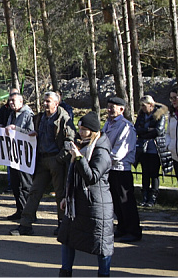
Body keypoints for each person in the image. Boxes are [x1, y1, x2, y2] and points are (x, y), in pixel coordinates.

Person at [57, 111, 113, 277]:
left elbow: (92, 177)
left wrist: (79, 158)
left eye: (84, 129)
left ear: (93, 131)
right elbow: (71, 175)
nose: (80, 132)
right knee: (67, 238)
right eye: (79, 128)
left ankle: (104, 274)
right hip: (76, 202)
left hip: (96, 204)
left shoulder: (101, 151)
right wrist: (67, 197)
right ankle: (65, 272)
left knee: (101, 244)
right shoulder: (82, 146)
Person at [11, 91, 75, 236]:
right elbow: (31, 131)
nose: (45, 104)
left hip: (56, 160)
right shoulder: (39, 118)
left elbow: (69, 139)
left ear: (56, 103)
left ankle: (62, 224)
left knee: (60, 194)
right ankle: (25, 224)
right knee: (34, 191)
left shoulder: (63, 118)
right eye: (44, 101)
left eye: (48, 101)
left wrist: (60, 158)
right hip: (42, 160)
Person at [102, 96, 141, 242]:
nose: (110, 110)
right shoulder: (108, 124)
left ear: (121, 109)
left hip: (121, 168)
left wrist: (104, 158)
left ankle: (133, 230)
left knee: (126, 201)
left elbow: (120, 151)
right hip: (110, 168)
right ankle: (122, 227)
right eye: (109, 107)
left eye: (113, 107)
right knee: (116, 201)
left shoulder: (125, 126)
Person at [0, 92, 34, 220]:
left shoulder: (28, 115)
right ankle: (20, 210)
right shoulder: (11, 114)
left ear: (21, 102)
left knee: (25, 185)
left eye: (13, 100)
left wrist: (16, 128)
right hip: (13, 155)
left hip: (24, 156)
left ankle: (29, 214)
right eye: (9, 100)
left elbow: (31, 132)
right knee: (15, 184)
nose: (11, 103)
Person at [134, 95, 171, 207]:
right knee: (145, 172)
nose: (142, 108)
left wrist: (144, 132)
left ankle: (153, 197)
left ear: (151, 105)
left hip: (155, 149)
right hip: (143, 148)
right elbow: (136, 129)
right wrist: (147, 131)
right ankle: (144, 196)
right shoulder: (141, 115)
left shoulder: (159, 115)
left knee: (154, 174)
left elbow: (158, 131)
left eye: (144, 105)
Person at [168, 89, 178, 167]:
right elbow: (168, 132)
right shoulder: (171, 115)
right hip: (175, 155)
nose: (173, 100)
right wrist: (169, 145)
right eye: (171, 98)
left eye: (175, 97)